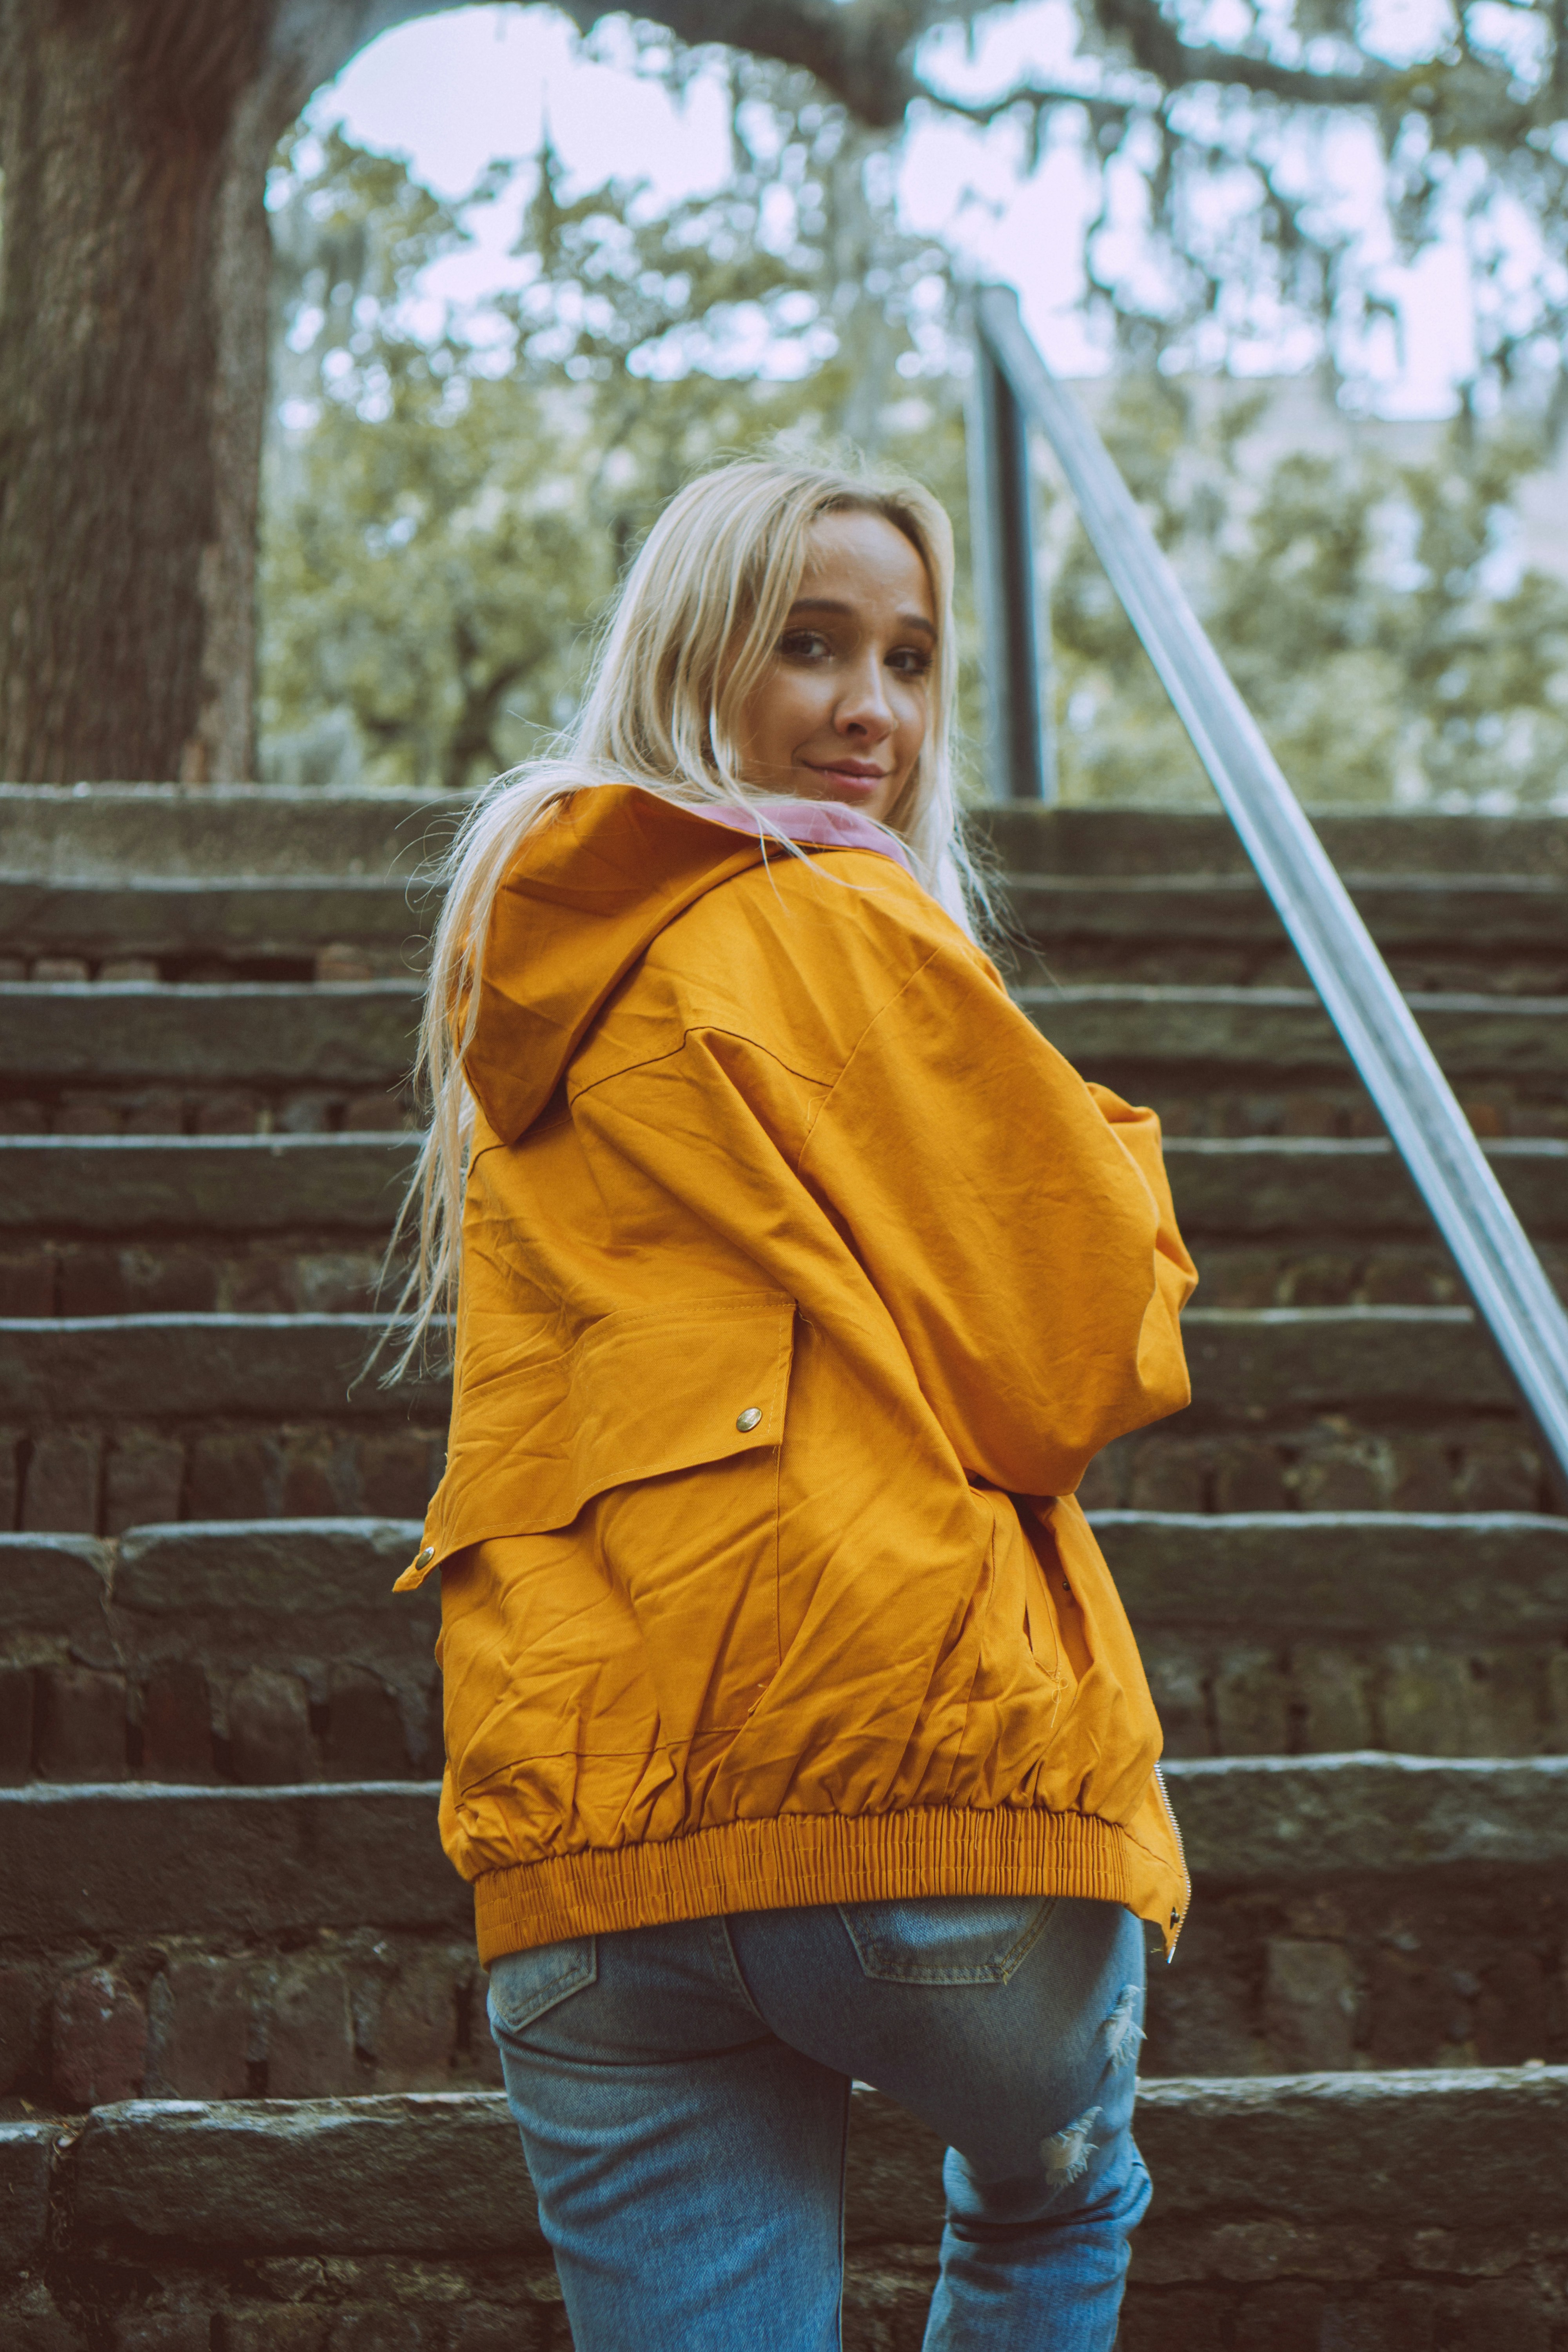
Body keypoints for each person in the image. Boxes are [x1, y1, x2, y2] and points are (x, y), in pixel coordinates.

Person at [392, 456, 1197, 2350]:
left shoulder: (529, 983)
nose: (872, 714)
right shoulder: (828, 914)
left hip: (587, 1836)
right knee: (1054, 2200)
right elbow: (1081, 1353)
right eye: (810, 645)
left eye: (909, 661)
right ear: (692, 656)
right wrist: (1097, 1141)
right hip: (903, 1784)